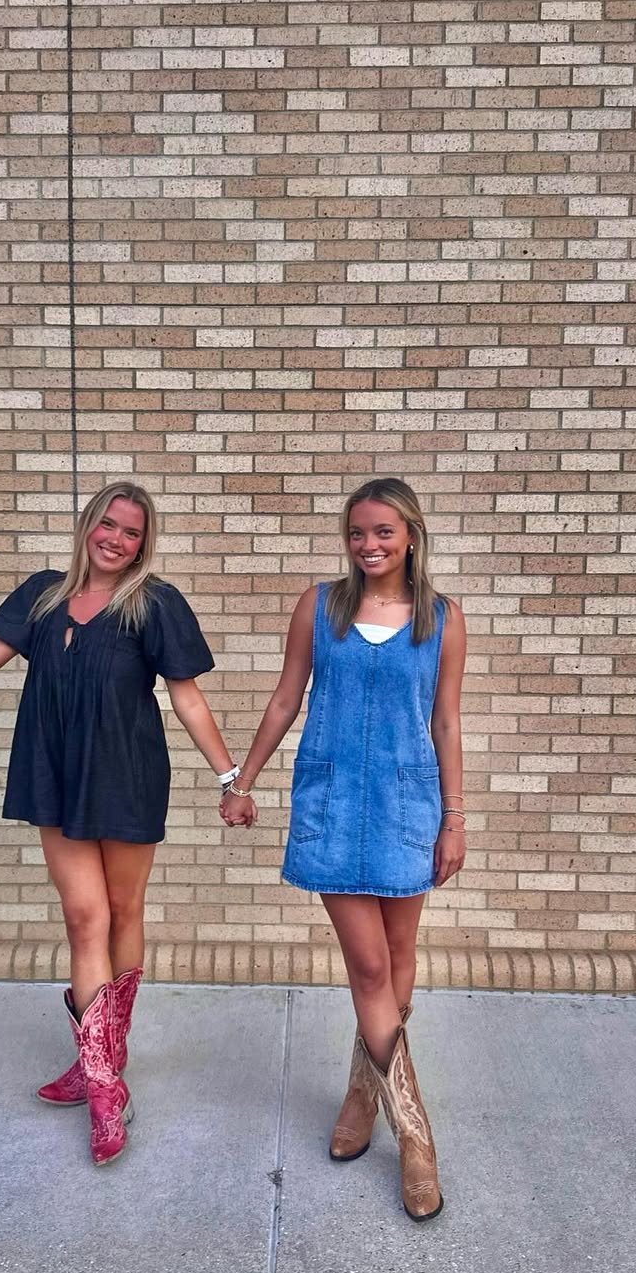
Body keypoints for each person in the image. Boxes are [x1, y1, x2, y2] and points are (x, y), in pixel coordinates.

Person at [0, 481, 251, 1167]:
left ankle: (103, 1060)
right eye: (108, 525)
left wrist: (229, 778)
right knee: (84, 918)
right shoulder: (41, 595)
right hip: (55, 774)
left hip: (127, 773)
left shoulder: (154, 603)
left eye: (132, 532)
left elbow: (187, 698)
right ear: (88, 525)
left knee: (123, 909)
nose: (116, 539)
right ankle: (103, 1083)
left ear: (143, 544)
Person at [220, 478, 466, 1221]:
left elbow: (446, 723)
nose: (368, 545)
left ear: (411, 535)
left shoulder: (443, 619)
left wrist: (455, 819)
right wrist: (243, 780)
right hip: (333, 803)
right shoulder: (320, 606)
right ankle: (416, 1136)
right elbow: (284, 697)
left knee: (398, 959)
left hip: (405, 805)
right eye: (357, 532)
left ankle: (362, 1095)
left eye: (383, 532)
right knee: (368, 966)